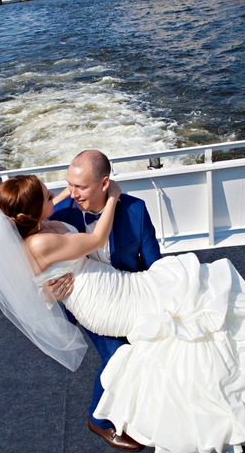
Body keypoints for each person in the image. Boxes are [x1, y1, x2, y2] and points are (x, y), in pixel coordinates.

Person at [0, 174, 245, 453]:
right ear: (35, 210)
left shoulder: (39, 224)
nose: (61, 196)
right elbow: (97, 240)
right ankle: (101, 419)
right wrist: (113, 197)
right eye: (50, 195)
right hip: (101, 303)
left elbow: (54, 214)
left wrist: (79, 187)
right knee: (170, 325)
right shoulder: (38, 243)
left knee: (182, 290)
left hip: (113, 281)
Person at [45, 150, 160, 451]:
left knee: (164, 339)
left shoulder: (135, 210)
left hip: (129, 292)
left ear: (105, 184)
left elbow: (154, 263)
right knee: (120, 356)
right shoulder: (59, 217)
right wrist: (49, 293)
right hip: (89, 303)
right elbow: (33, 271)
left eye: (80, 187)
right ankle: (99, 419)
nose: (73, 194)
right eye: (69, 185)